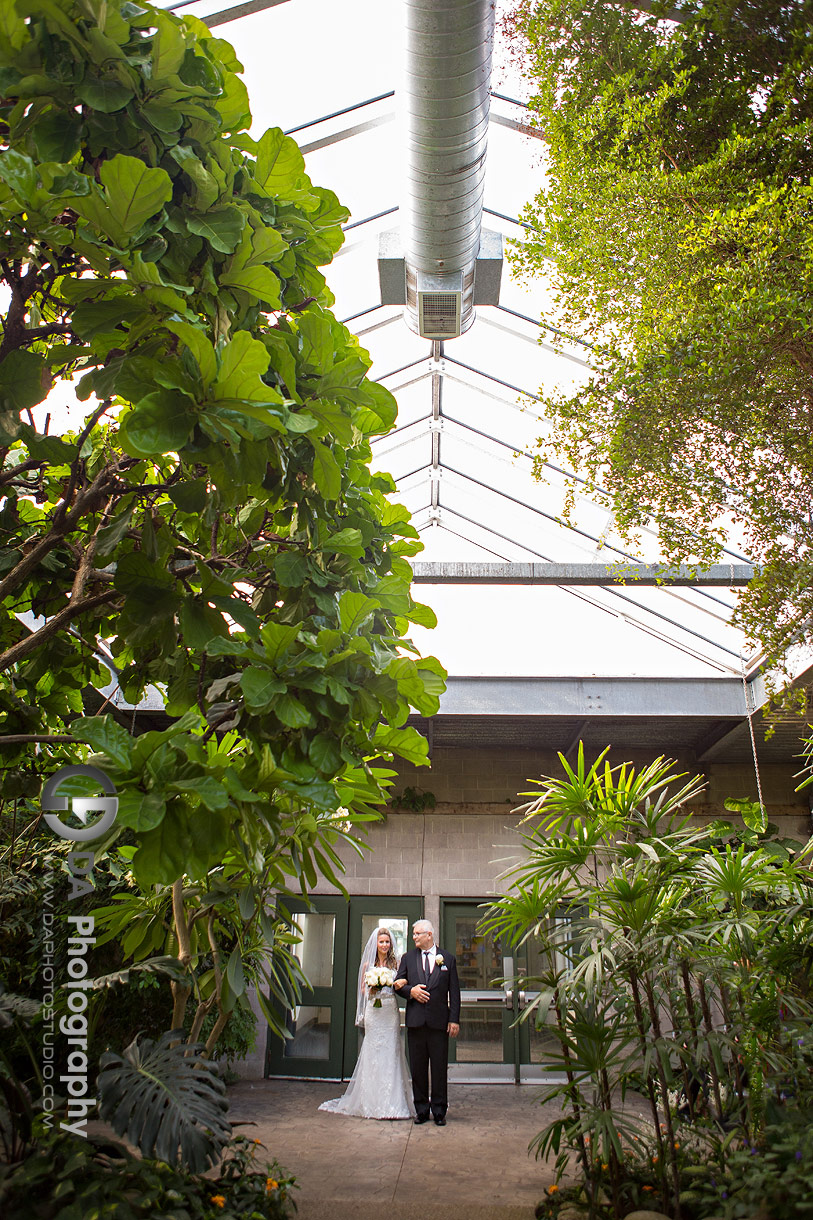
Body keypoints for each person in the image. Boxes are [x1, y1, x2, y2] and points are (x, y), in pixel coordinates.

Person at [319, 926, 415, 1120]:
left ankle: (392, 1101)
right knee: (373, 1050)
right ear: (375, 944)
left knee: (391, 1051)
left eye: (387, 942)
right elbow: (362, 990)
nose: (385, 945)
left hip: (389, 1011)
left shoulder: (396, 963)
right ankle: (370, 1101)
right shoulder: (367, 965)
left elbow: (402, 983)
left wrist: (391, 984)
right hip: (374, 1010)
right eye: (382, 942)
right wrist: (374, 986)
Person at [394, 919, 460, 1126]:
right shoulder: (408, 958)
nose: (414, 937)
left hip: (439, 1023)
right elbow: (397, 984)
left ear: (429, 935)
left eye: (417, 934)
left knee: (439, 1068)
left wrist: (454, 1020)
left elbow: (455, 993)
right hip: (415, 1022)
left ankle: (439, 1111)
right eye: (413, 934)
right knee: (418, 1068)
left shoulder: (447, 959)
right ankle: (421, 1110)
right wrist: (410, 991)